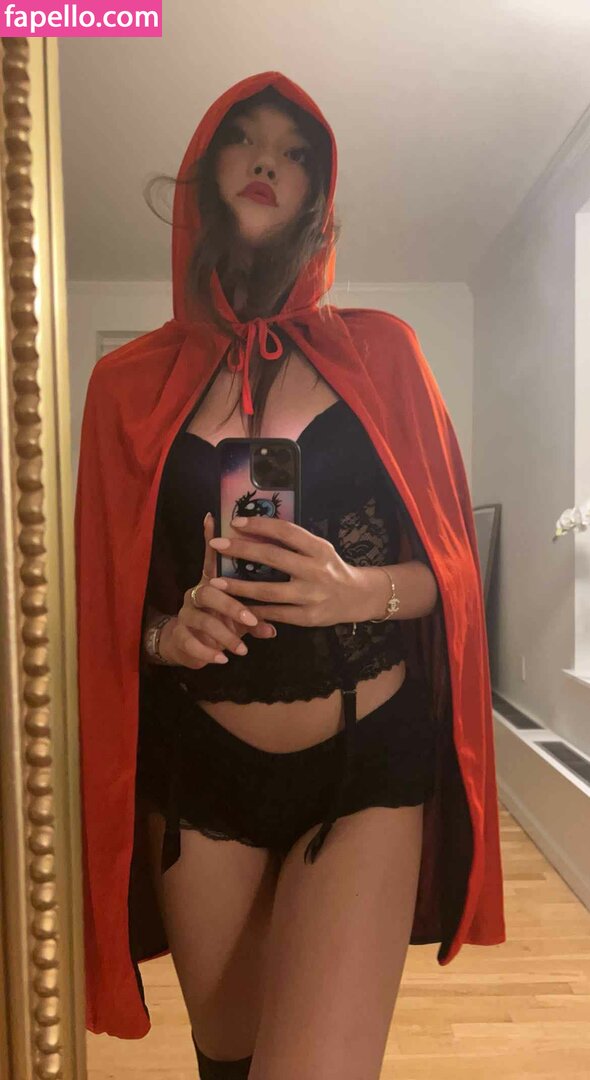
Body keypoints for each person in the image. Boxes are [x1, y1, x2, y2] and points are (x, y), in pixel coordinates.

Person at [75, 72, 506, 1080]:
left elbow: (452, 570)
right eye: (244, 137)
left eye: (295, 150)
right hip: (199, 771)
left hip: (364, 761)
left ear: (318, 193)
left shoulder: (385, 356)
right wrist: (166, 634)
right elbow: (102, 603)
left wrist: (363, 591)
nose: (268, 159)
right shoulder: (126, 385)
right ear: (203, 170)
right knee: (227, 1066)